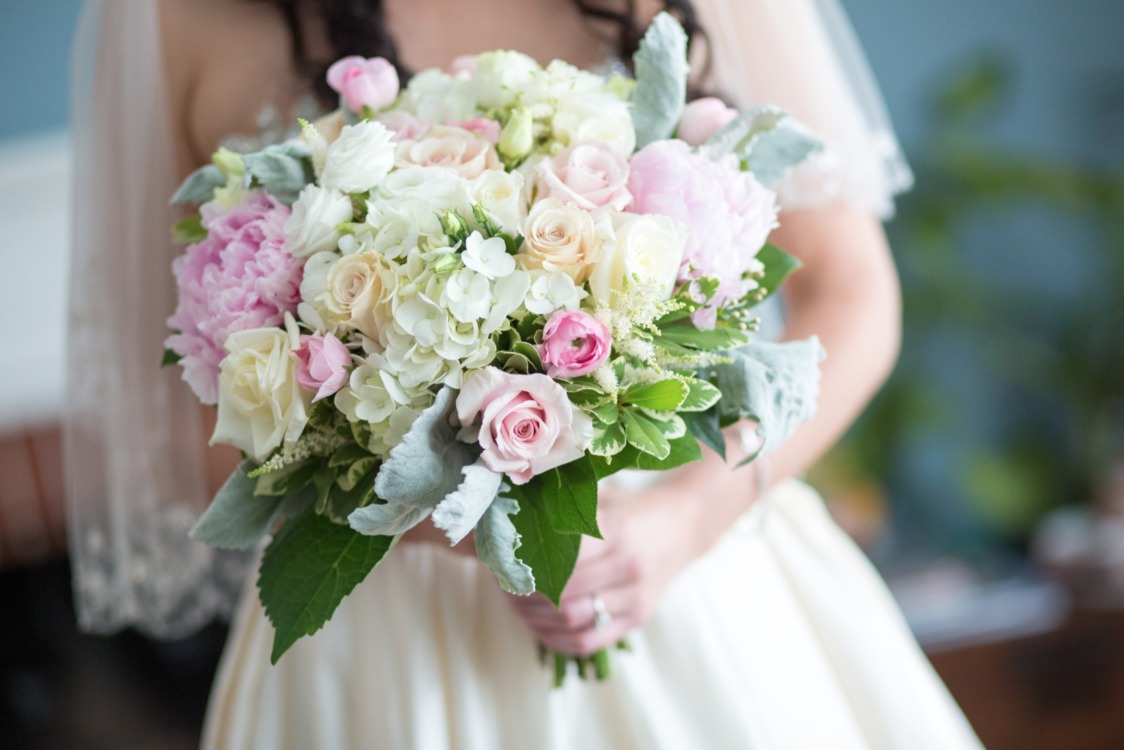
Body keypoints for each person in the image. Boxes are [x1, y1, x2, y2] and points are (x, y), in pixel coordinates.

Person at [67, 0, 983, 747]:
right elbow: (177, 416)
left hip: (693, 562)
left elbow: (854, 294)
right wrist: (464, 529)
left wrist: (686, 518)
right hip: (384, 643)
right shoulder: (174, 20)